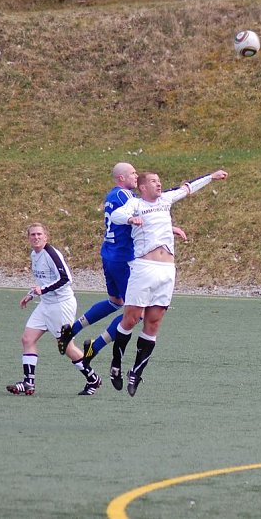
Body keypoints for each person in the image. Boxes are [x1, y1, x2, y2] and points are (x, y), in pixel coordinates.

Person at [91, 169, 229, 396]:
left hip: (167, 271)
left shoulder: (165, 199)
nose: (159, 184)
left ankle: (136, 372)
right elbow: (116, 216)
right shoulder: (135, 204)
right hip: (144, 269)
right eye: (154, 181)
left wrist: (211, 177)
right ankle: (116, 364)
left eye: (160, 181)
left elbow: (187, 188)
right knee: (131, 319)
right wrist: (129, 219)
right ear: (143, 187)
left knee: (153, 323)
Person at [62, 162, 185, 391]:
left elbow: (146, 216)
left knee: (115, 302)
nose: (136, 176)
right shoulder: (124, 195)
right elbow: (133, 214)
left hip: (110, 254)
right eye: (133, 174)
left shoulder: (112, 195)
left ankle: (73, 331)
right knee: (134, 315)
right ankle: (96, 348)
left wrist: (169, 228)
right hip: (128, 258)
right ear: (122, 179)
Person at [6, 223, 103, 396]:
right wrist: (32, 294)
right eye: (32, 235)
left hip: (61, 305)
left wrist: (42, 290)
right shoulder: (34, 255)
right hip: (46, 304)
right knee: (27, 339)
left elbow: (66, 279)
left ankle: (93, 378)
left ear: (46, 237)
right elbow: (43, 281)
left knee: (67, 347)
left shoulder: (51, 254)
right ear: (28, 238)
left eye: (39, 234)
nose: (36, 237)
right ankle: (29, 383)